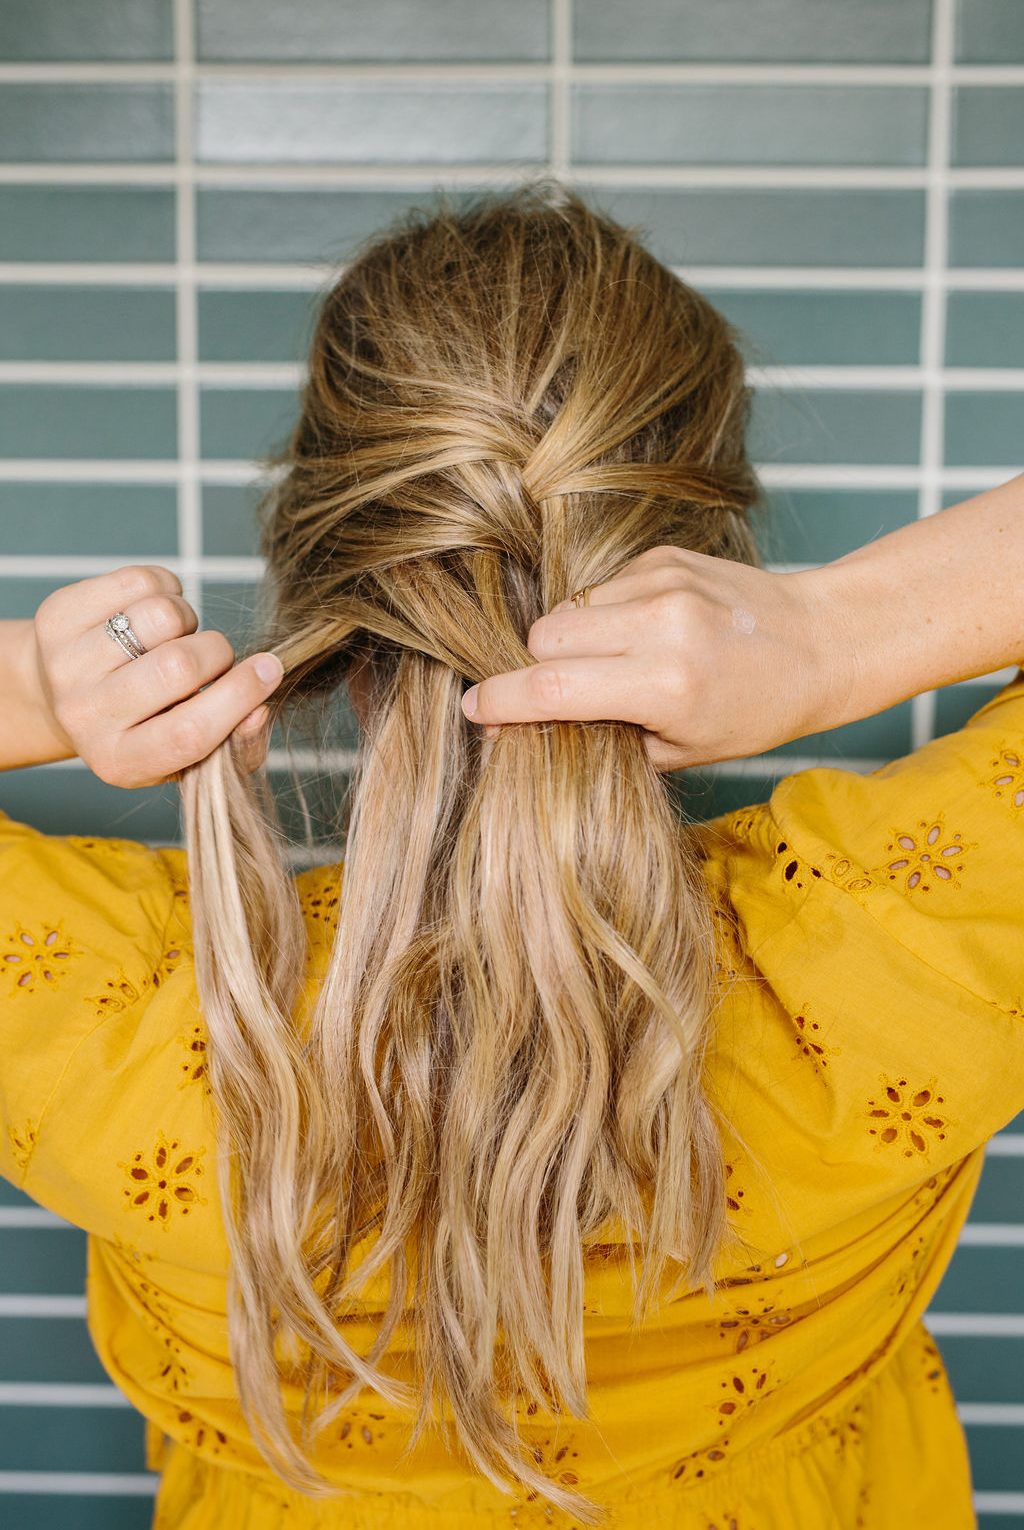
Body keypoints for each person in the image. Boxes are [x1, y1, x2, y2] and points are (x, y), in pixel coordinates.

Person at [1, 186, 1022, 1530]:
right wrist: (837, 640)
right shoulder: (902, 935)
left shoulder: (128, 1009)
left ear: (326, 589)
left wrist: (30, 688)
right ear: (706, 567)